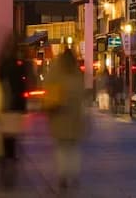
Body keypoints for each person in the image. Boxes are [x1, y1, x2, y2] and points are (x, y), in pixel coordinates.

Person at [44, 47, 87, 191]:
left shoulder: (55, 71)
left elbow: (47, 88)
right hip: (74, 116)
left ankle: (63, 176)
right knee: (73, 148)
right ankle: (73, 173)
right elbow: (82, 94)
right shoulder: (78, 74)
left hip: (59, 115)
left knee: (61, 148)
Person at [0, 35, 27, 188]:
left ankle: (5, 167)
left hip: (4, 107)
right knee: (12, 141)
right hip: (16, 108)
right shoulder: (19, 65)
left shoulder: (2, 65)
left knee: (5, 139)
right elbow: (23, 87)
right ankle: (10, 168)